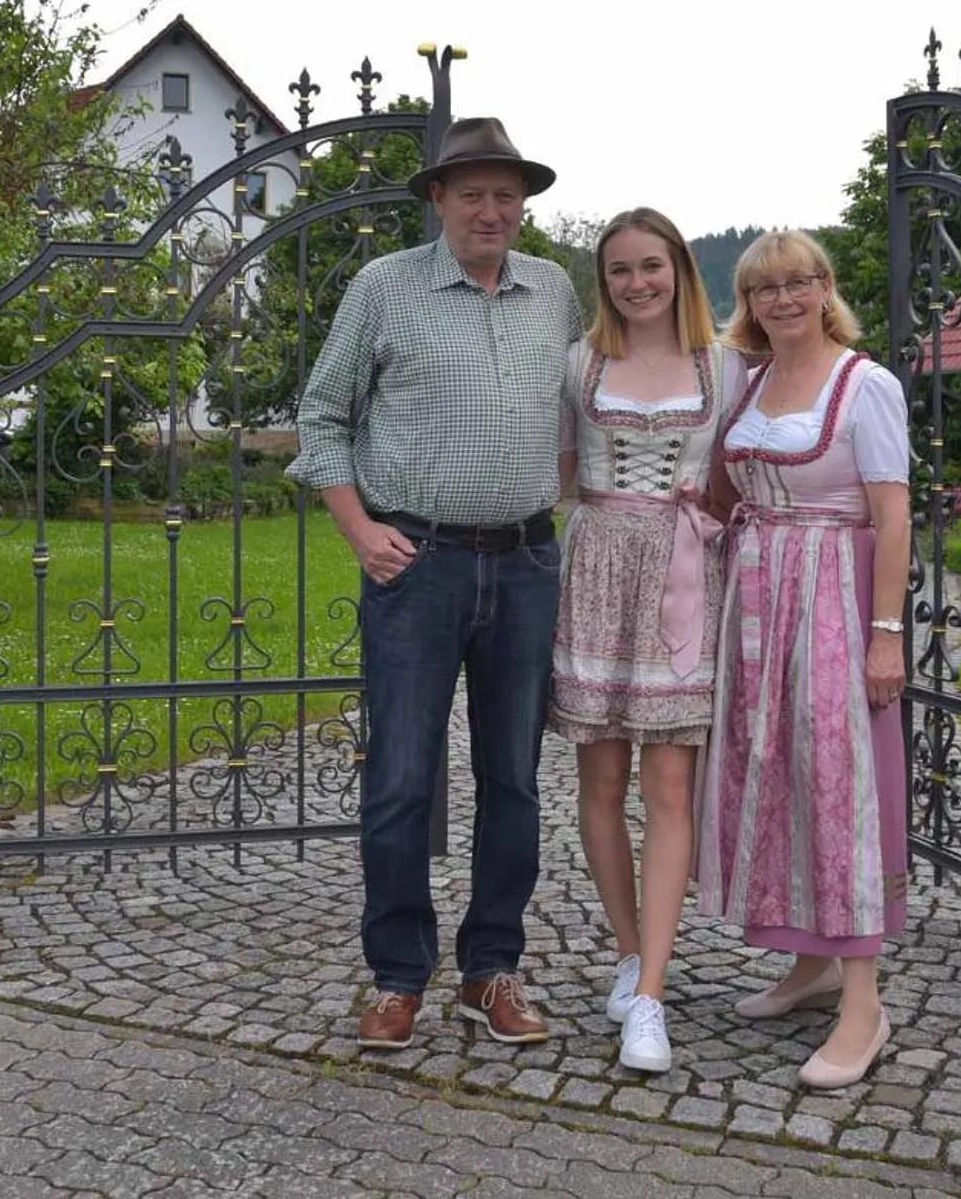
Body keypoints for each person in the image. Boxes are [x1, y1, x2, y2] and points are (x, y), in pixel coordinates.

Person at [290, 116, 580, 1053]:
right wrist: (357, 527)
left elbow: (581, 410)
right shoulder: (384, 287)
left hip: (527, 563)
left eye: (506, 196)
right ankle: (397, 977)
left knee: (514, 780)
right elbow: (323, 416)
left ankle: (491, 969)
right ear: (439, 201)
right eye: (472, 195)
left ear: (523, 204)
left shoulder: (554, 291)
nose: (490, 211)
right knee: (401, 779)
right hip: (417, 564)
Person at [694, 228, 912, 1090]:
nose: (780, 300)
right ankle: (810, 965)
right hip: (758, 602)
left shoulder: (866, 384)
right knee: (776, 773)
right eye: (762, 288)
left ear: (825, 289)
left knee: (836, 783)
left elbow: (892, 517)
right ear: (746, 302)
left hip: (832, 598)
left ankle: (864, 1002)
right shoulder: (747, 384)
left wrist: (886, 633)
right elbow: (723, 493)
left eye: (796, 283)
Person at [550, 208, 728, 1074]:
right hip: (595, 572)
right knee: (601, 778)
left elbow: (740, 477)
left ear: (679, 270)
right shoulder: (578, 363)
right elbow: (554, 474)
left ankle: (650, 994)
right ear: (603, 281)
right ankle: (628, 951)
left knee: (668, 786)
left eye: (650, 266)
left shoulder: (724, 366)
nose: (635, 283)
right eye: (618, 270)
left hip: (683, 577)